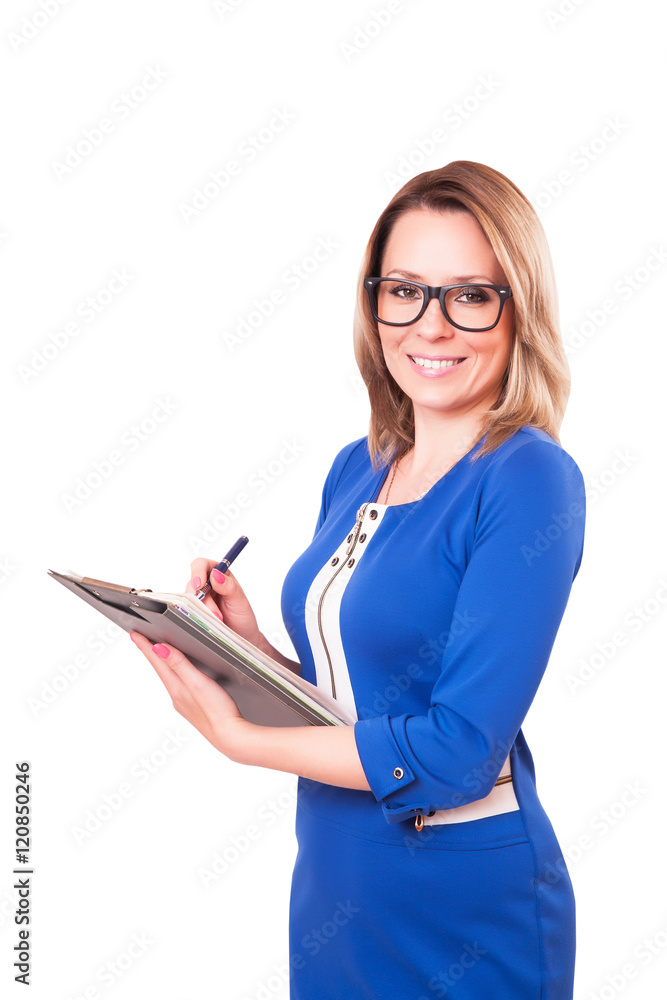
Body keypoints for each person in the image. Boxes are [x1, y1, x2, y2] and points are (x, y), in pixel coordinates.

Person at [130, 160, 586, 999]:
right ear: (373, 302)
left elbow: (453, 752)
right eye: (404, 290)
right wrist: (248, 647)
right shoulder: (359, 466)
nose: (431, 326)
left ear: (518, 310)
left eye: (470, 295)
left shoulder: (527, 480)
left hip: (460, 903)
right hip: (339, 876)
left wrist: (242, 741)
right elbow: (357, 707)